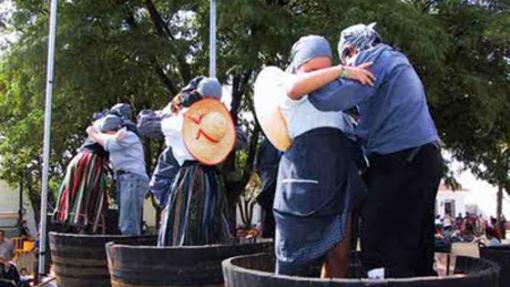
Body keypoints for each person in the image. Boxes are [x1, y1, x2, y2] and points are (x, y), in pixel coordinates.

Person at [288, 24, 443, 277]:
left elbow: (329, 99)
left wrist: (323, 78)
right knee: (417, 242)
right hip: (426, 159)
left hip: (401, 160)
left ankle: (383, 279)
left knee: (376, 235)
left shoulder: (367, 59)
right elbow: (372, 116)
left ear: (350, 50)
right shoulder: (396, 59)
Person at [271, 35, 370, 278]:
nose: (321, 76)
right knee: (293, 261)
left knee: (339, 256)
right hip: (302, 184)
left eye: (325, 68)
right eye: (313, 69)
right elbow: (296, 87)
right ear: (297, 67)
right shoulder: (290, 89)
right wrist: (341, 71)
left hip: (338, 182)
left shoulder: (335, 101)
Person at [157, 77, 232, 246]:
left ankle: (182, 259)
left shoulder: (183, 118)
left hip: (190, 177)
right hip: (211, 176)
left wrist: (174, 105)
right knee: (209, 220)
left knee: (185, 223)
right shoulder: (220, 121)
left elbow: (148, 124)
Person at [86, 114, 149, 236]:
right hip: (125, 178)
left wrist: (92, 133)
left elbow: (108, 143)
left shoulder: (127, 136)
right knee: (125, 218)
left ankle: (130, 250)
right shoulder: (118, 136)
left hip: (132, 178)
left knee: (128, 220)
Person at [53, 112, 111, 233]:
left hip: (81, 160)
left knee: (80, 192)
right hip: (90, 161)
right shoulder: (105, 128)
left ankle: (74, 224)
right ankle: (80, 225)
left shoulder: (96, 129)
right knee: (88, 191)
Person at [254, 138, 282, 239]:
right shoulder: (266, 144)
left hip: (271, 187)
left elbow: (257, 167)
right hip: (272, 189)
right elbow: (257, 167)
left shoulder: (265, 143)